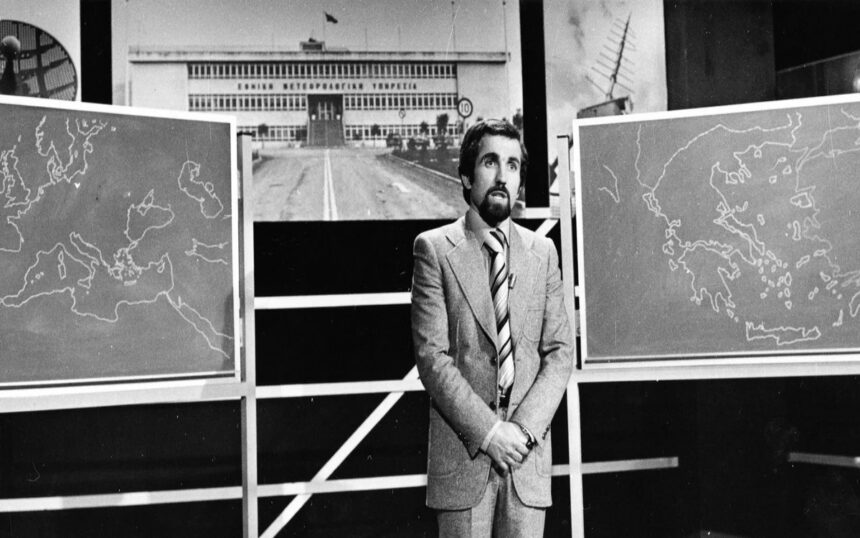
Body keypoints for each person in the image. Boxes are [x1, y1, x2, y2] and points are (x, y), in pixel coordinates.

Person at [411, 118, 574, 536]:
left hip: (525, 460)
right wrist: (489, 433)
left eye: (512, 165)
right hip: (464, 460)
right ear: (466, 176)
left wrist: (520, 431)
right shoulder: (434, 250)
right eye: (490, 162)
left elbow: (560, 353)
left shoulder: (543, 253)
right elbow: (432, 358)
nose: (503, 176)